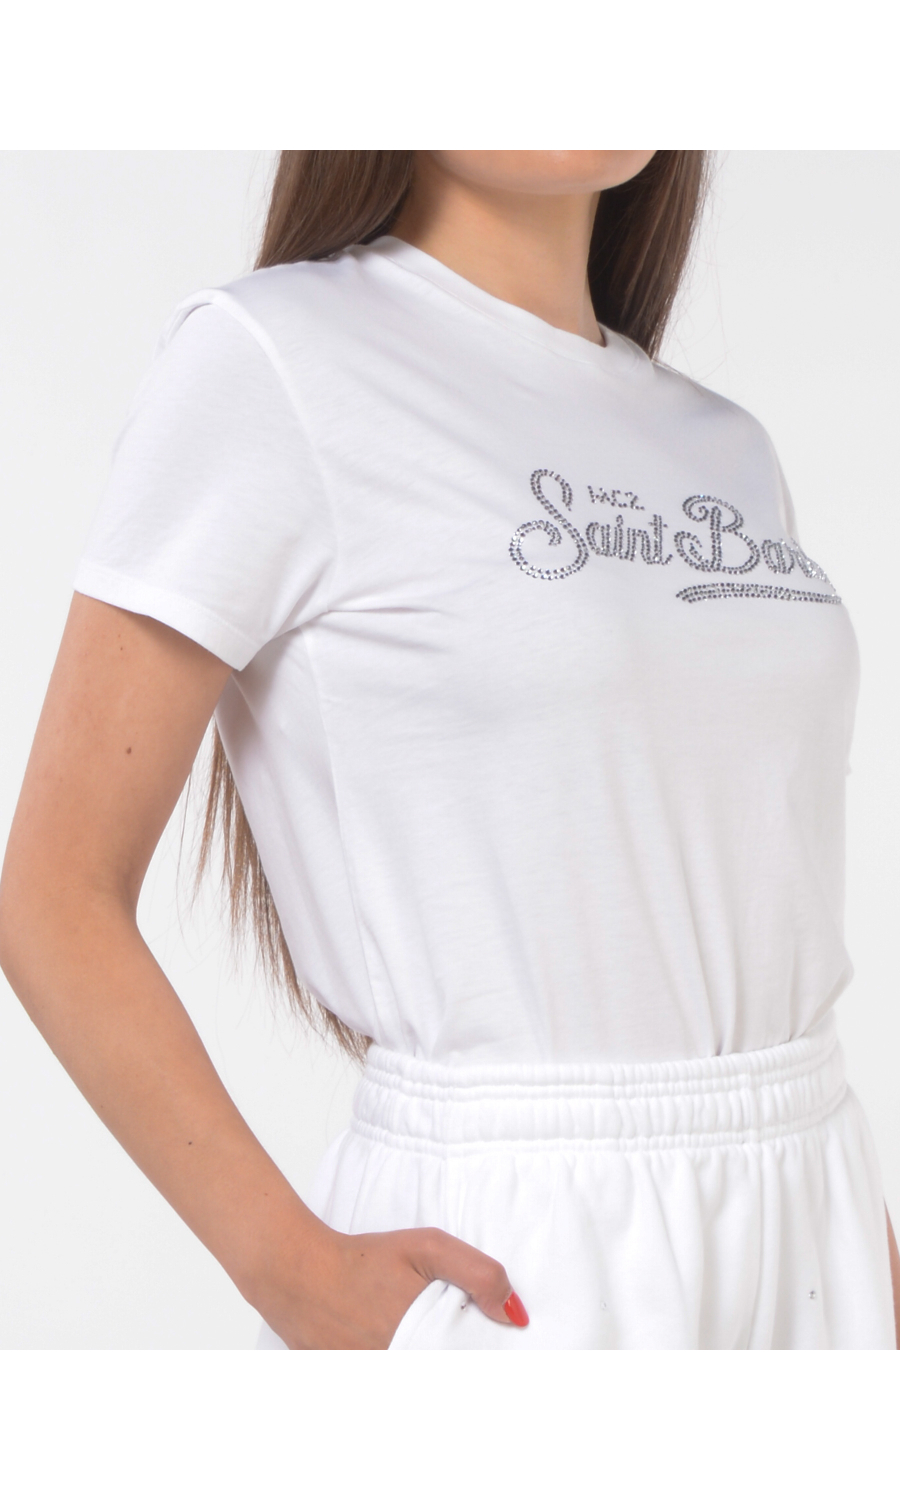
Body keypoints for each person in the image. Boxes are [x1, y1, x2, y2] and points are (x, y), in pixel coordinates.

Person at [1, 150, 898, 1350]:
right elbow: (54, 891)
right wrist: (289, 1268)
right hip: (518, 1243)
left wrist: (851, 1237)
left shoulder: (724, 446)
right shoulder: (275, 361)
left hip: (816, 1210)